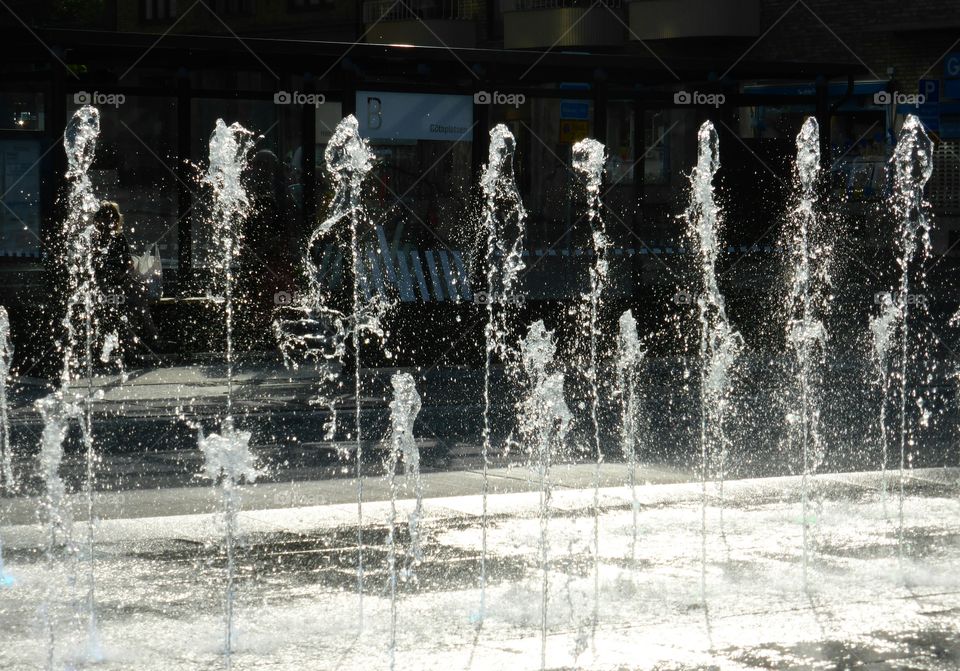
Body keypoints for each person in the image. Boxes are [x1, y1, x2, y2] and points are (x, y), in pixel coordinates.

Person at [92, 201, 163, 361]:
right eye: (107, 218)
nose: (110, 223)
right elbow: (95, 268)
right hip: (105, 286)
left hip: (120, 283)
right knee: (130, 306)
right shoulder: (96, 240)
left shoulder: (118, 238)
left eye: (112, 219)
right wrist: (115, 275)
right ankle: (152, 341)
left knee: (134, 304)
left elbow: (128, 263)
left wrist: (122, 275)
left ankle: (141, 345)